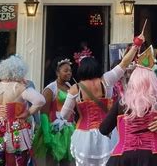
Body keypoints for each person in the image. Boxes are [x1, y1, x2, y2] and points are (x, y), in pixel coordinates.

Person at [60, 32, 144, 166]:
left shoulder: (75, 89)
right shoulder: (106, 80)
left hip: (84, 135)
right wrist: (135, 46)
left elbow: (64, 115)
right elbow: (123, 64)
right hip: (107, 133)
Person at [99, 46, 157, 165]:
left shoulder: (122, 102)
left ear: (133, 81)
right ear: (154, 81)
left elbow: (104, 129)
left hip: (124, 157)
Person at [0, 55, 46, 166]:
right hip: (16, 134)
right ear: (19, 71)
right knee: (16, 162)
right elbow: (40, 100)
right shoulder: (19, 87)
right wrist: (28, 112)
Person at [34, 58, 75, 166]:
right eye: (65, 71)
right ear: (57, 72)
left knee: (67, 161)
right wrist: (47, 134)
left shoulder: (70, 87)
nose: (69, 73)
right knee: (52, 160)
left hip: (68, 129)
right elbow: (43, 113)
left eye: (70, 70)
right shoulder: (50, 89)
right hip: (54, 129)